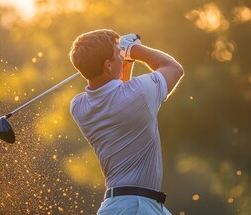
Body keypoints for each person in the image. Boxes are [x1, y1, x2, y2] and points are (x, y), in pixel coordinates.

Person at [69, 29, 184, 215]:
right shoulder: (138, 93)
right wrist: (133, 49)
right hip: (138, 207)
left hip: (120, 206)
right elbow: (173, 68)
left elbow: (117, 90)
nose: (122, 57)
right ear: (107, 65)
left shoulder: (79, 106)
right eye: (118, 54)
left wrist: (123, 56)